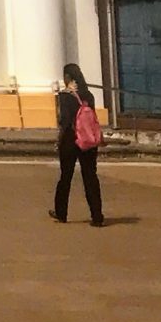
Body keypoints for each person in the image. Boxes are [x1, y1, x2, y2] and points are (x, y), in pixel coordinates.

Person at [51, 62, 105, 226]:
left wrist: (59, 140)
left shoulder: (65, 96)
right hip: (88, 140)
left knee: (65, 177)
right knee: (90, 177)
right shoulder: (88, 95)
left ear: (67, 77)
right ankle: (97, 215)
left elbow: (65, 121)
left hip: (70, 139)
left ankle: (61, 213)